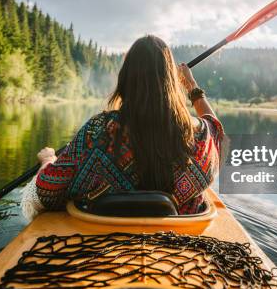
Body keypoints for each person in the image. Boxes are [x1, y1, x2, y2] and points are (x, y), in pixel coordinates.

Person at [21, 35, 224, 220]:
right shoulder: (199, 134)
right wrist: (192, 87)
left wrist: (48, 160)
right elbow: (216, 131)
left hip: (101, 238)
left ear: (125, 79)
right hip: (176, 239)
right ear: (172, 81)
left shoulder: (97, 129)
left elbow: (46, 190)